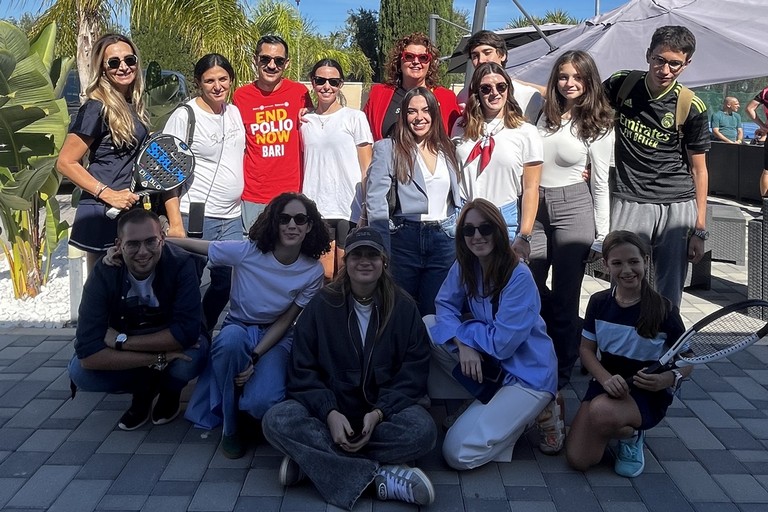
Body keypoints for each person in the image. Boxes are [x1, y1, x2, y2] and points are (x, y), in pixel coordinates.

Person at [262, 227, 437, 509]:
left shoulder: (403, 307)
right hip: (330, 415)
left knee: (423, 431)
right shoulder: (321, 305)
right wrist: (329, 412)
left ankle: (313, 464)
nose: (364, 261)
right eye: (357, 255)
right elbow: (302, 371)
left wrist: (379, 413)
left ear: (384, 262)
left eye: (372, 255)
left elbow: (413, 372)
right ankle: (380, 476)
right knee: (277, 420)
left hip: (380, 416)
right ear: (346, 261)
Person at [174, 192, 329, 459]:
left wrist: (255, 356)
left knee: (264, 401)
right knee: (230, 342)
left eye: (300, 219)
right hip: (238, 326)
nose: (292, 225)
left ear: (309, 226)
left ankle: (249, 411)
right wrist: (158, 240)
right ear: (274, 222)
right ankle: (230, 426)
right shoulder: (249, 252)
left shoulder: (312, 271)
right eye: (284, 218)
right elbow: (202, 247)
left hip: (275, 335)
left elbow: (287, 319)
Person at [426, 198, 558, 470]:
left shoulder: (518, 276)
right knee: (429, 325)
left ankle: (531, 415)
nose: (477, 236)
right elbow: (444, 305)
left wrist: (462, 335)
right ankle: (490, 407)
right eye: (468, 230)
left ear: (498, 230)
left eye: (485, 229)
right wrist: (462, 342)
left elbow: (502, 345)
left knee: (457, 454)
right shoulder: (466, 265)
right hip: (495, 367)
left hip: (527, 376)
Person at [529, 50, 614, 454]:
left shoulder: (597, 123)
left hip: (574, 206)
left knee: (565, 294)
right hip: (536, 206)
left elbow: (600, 183)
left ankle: (561, 370)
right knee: (527, 282)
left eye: (577, 77)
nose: (569, 83)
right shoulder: (542, 113)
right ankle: (556, 347)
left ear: (588, 80)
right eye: (563, 76)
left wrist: (603, 236)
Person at [68, 209, 209, 431]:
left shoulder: (181, 264)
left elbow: (186, 333)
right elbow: (88, 353)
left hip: (134, 341)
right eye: (133, 244)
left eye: (151, 241)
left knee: (189, 359)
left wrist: (121, 342)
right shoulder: (105, 272)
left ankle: (170, 391)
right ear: (119, 244)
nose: (143, 252)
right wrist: (158, 357)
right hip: (157, 342)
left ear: (162, 239)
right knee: (80, 373)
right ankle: (144, 389)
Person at [566, 230, 690, 478]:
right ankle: (614, 424)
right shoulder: (599, 303)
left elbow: (688, 360)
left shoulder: (664, 310)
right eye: (617, 263)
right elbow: (586, 350)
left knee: (601, 412)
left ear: (645, 260)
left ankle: (631, 435)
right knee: (579, 460)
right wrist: (605, 379)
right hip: (607, 383)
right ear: (606, 265)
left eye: (634, 262)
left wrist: (667, 379)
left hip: (647, 392)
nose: (627, 270)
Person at [603, 25, 710, 308]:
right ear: (648, 55)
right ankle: (620, 338)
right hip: (630, 199)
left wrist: (700, 228)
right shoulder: (621, 84)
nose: (665, 69)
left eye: (675, 64)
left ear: (686, 64)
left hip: (676, 205)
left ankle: (669, 342)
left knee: (670, 286)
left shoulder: (691, 105)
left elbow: (699, 169)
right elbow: (585, 112)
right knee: (622, 277)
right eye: (659, 60)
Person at [161, 53, 246, 332]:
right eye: (210, 80)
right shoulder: (185, 115)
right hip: (196, 216)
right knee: (189, 282)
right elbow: (167, 172)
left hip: (232, 217)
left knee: (224, 284)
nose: (217, 86)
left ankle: (202, 332)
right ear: (199, 83)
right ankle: (180, 337)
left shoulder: (233, 112)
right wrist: (175, 223)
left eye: (223, 79)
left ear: (231, 80)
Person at [365, 87, 462, 316]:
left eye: (425, 110)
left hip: (444, 239)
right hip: (404, 239)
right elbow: (376, 201)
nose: (419, 117)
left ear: (434, 113)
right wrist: (382, 248)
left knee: (437, 310)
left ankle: (433, 353)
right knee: (400, 310)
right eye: (412, 111)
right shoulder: (388, 148)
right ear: (404, 115)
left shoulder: (447, 148)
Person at [57, 33, 148, 273]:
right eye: (114, 62)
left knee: (128, 294)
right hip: (102, 211)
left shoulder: (130, 103)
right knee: (104, 292)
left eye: (129, 60)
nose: (124, 67)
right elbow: (66, 162)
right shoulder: (97, 107)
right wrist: (109, 194)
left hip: (127, 208)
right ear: (103, 69)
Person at [452, 62, 543, 259]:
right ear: (476, 92)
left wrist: (524, 235)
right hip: (465, 216)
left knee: (502, 283)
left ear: (508, 89)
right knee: (466, 282)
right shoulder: (461, 127)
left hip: (504, 217)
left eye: (501, 87)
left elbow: (530, 189)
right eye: (486, 88)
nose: (494, 93)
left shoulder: (526, 132)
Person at [301, 59, 373, 279]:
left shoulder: (354, 118)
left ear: (340, 84)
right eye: (320, 80)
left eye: (333, 81)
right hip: (316, 208)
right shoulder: (304, 120)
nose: (326, 86)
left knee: (344, 274)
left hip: (348, 208)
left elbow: (367, 167)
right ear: (312, 83)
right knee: (323, 275)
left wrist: (366, 208)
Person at [233, 35, 314, 231]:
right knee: (254, 254)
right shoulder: (241, 96)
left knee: (289, 255)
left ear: (287, 63)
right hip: (254, 196)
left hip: (292, 196)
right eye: (265, 59)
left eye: (278, 60)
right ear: (255, 60)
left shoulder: (300, 93)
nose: (271, 65)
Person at [363, 32, 460, 141]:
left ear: (430, 63)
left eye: (423, 57)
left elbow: (456, 139)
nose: (416, 62)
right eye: (409, 56)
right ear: (399, 61)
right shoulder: (379, 94)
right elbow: (364, 137)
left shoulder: (446, 97)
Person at [456, 29, 543, 121]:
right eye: (475, 56)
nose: (481, 60)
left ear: (502, 55)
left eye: (487, 53)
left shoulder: (527, 95)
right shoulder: (463, 96)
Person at [746, 87, 768, 195]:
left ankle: (765, 206)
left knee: (767, 171)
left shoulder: (765, 92)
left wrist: (763, 126)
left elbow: (749, 108)